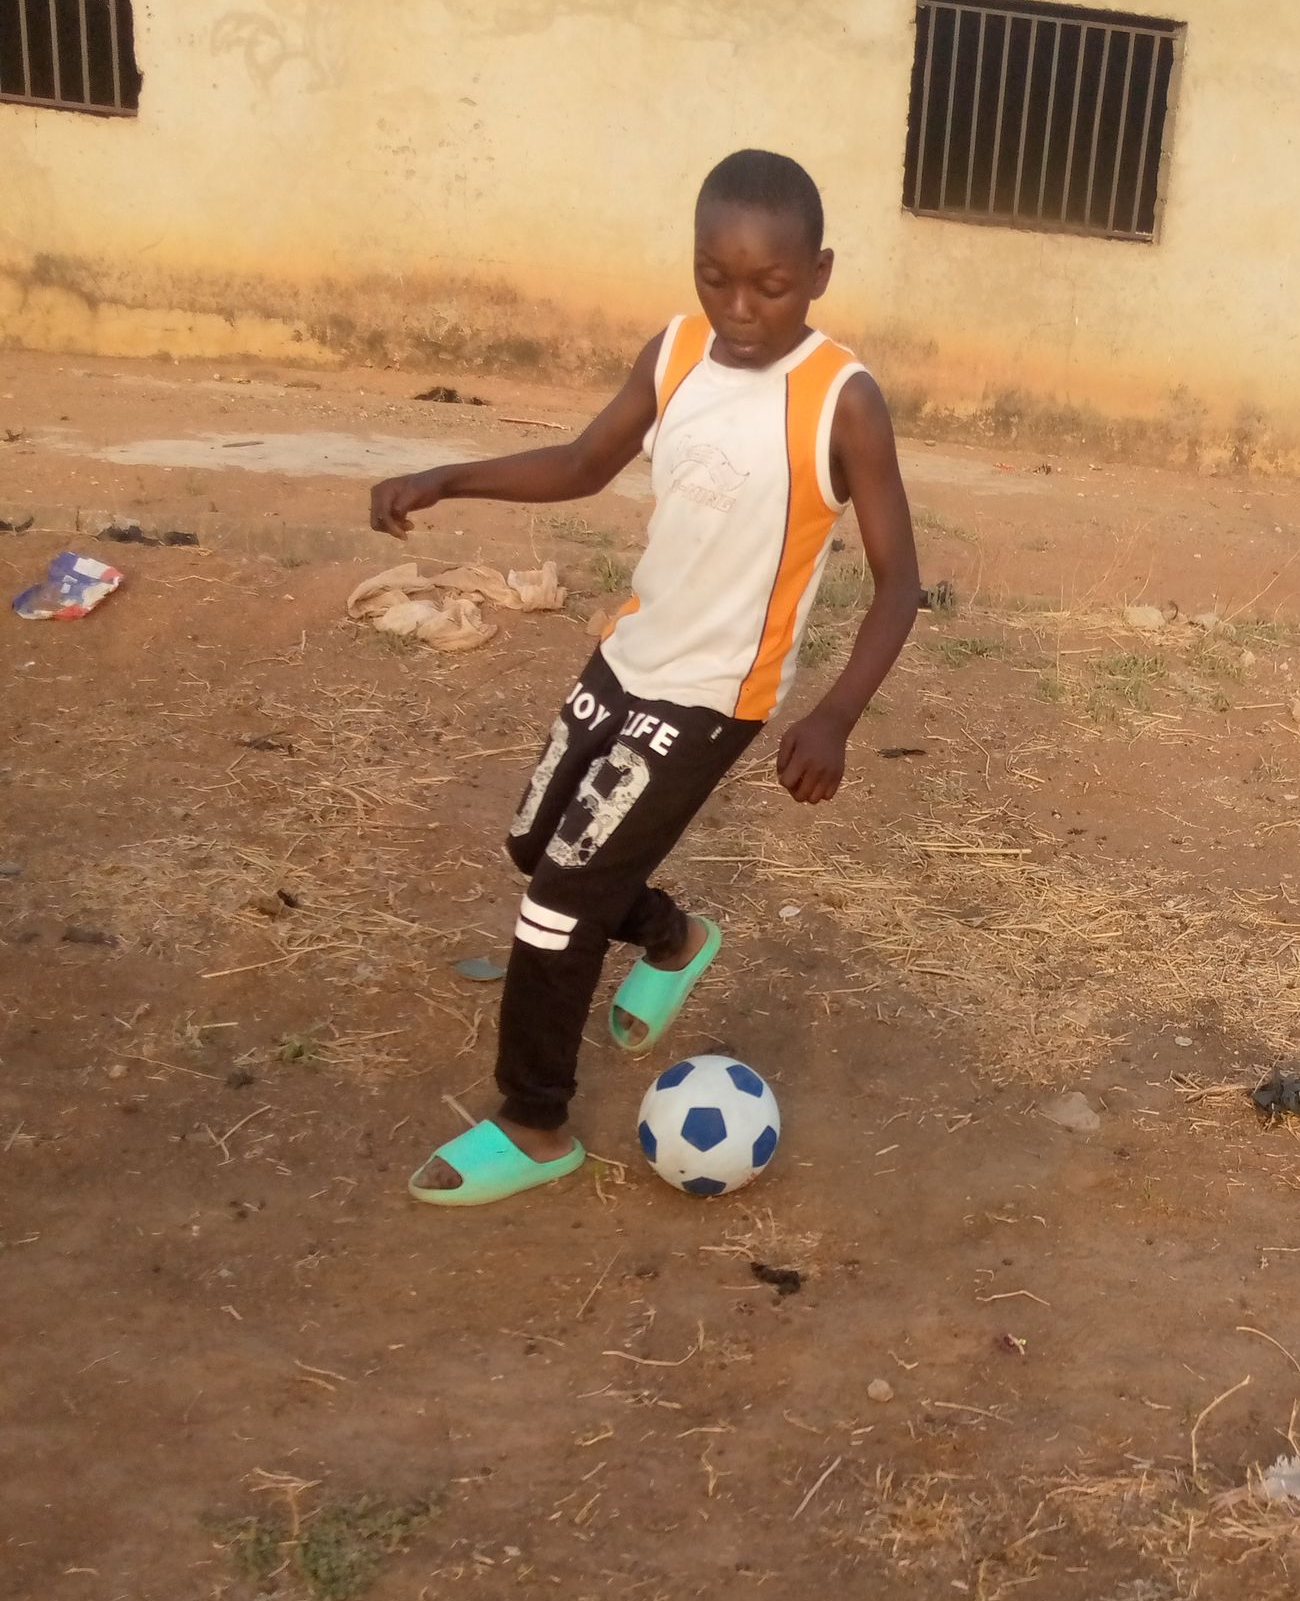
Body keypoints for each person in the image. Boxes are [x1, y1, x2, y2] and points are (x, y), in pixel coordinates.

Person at [368, 149, 920, 1205]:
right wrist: (448, 477)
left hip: (714, 693)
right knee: (533, 844)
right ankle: (675, 939)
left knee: (560, 902)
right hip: (629, 654)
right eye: (717, 278)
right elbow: (584, 463)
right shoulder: (674, 353)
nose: (740, 309)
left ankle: (533, 1122)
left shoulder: (841, 401)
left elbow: (900, 583)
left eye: (771, 286)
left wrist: (836, 716)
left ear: (819, 274)